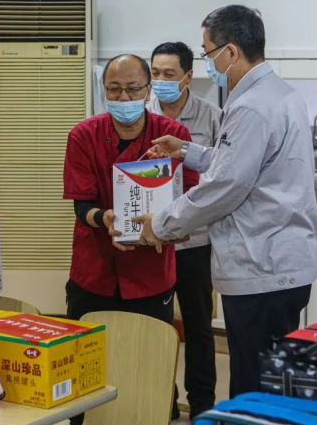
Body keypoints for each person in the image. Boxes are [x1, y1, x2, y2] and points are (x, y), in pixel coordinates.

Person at [135, 5, 317, 398]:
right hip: (282, 261)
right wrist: (187, 151)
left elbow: (225, 185)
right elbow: (243, 165)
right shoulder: (281, 94)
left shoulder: (249, 105)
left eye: (208, 53)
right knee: (270, 380)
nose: (209, 64)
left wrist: (161, 224)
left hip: (261, 265)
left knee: (253, 388)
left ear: (231, 52)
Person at [62, 54, 198, 423]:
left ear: (148, 90)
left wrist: (169, 229)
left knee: (148, 370)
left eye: (133, 89)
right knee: (86, 370)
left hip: (150, 275)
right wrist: (103, 219)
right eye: (114, 89)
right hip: (95, 272)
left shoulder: (172, 135)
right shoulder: (83, 135)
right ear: (103, 90)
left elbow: (188, 201)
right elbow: (81, 205)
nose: (124, 98)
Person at [147, 41, 221, 418]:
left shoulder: (213, 117)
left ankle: (202, 405)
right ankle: (164, 399)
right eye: (155, 73)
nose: (160, 80)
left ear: (188, 76)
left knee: (198, 326)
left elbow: (223, 175)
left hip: (195, 240)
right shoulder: (141, 115)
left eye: (169, 74)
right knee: (156, 326)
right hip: (153, 242)